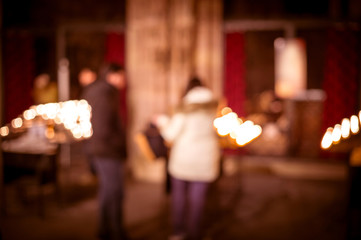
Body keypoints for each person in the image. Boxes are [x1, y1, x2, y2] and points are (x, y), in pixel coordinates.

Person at [156, 77, 221, 240]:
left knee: (179, 196)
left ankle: (178, 232)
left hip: (184, 158)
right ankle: (194, 233)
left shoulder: (184, 109)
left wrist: (162, 122)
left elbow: (170, 134)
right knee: (197, 198)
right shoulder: (214, 108)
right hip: (205, 158)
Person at [82, 63, 128, 240]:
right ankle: (115, 232)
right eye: (122, 75)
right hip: (107, 151)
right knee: (114, 192)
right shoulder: (104, 93)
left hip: (102, 149)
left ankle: (105, 230)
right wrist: (118, 146)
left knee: (108, 191)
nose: (124, 80)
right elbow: (102, 128)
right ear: (113, 75)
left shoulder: (103, 91)